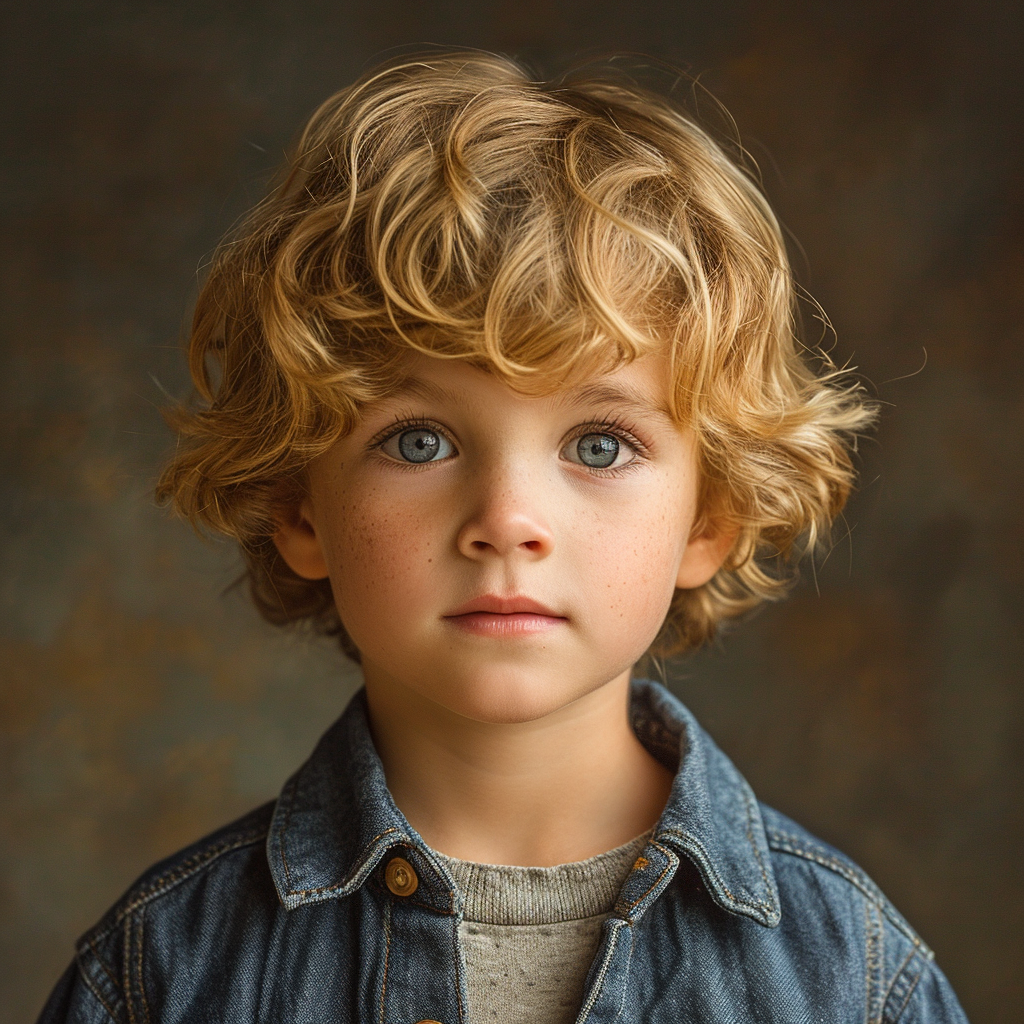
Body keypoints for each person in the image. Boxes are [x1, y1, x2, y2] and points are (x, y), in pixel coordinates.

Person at [37, 50, 969, 1023]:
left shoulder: (852, 978)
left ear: (711, 518)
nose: (506, 521)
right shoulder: (164, 973)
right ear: (297, 507)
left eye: (599, 444)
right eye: (420, 439)